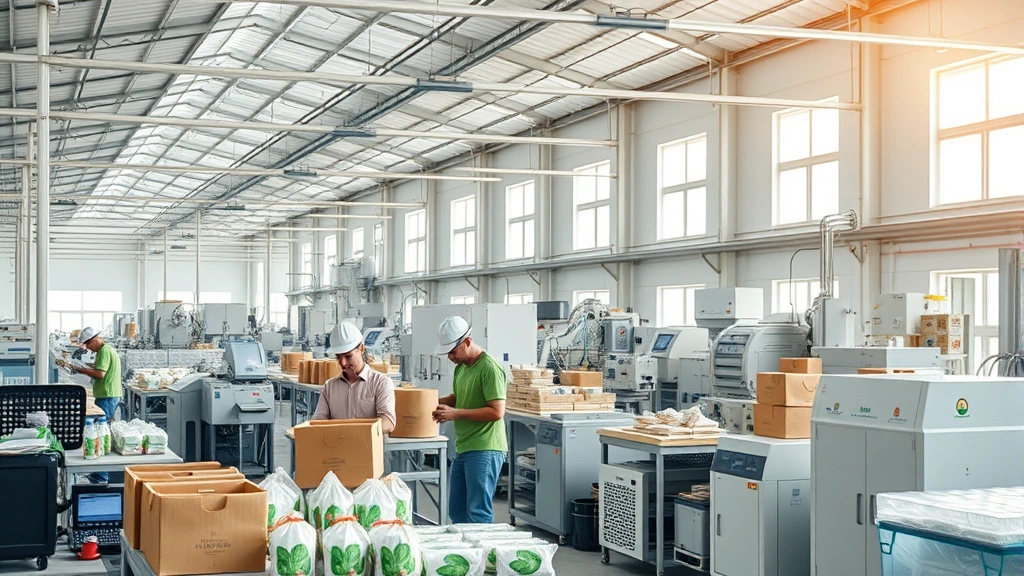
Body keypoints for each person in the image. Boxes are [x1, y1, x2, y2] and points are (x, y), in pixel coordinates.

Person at [432, 315, 507, 524]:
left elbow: (496, 411)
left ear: (467, 342)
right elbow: (459, 397)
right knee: (457, 511)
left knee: (478, 512)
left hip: (485, 447)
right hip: (464, 446)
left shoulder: (489, 368)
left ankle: (483, 557)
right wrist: (430, 401)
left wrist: (456, 414)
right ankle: (464, 555)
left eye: (453, 352)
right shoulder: (461, 368)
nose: (450, 357)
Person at [311, 321, 396, 433]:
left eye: (348, 356)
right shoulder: (330, 386)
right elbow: (319, 420)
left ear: (361, 349)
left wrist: (356, 432)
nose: (342, 363)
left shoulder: (381, 383)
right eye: (338, 357)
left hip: (367, 449)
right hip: (337, 448)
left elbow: (388, 421)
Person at [75, 327, 121, 482]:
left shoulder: (104, 351)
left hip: (107, 396)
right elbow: (99, 369)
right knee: (101, 431)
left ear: (94, 339)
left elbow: (100, 374)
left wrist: (81, 370)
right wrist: (85, 367)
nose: (87, 348)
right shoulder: (106, 351)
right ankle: (98, 474)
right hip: (107, 395)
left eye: (87, 344)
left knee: (102, 433)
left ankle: (101, 476)